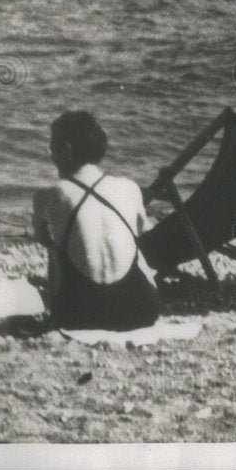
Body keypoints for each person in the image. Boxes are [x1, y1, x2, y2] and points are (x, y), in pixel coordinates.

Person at [32, 111, 159, 330]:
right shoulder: (130, 187)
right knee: (134, 246)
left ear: (67, 150)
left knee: (54, 248)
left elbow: (40, 236)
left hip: (80, 316)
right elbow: (142, 231)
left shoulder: (47, 195)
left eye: (52, 146)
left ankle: (58, 309)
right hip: (141, 310)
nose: (49, 152)